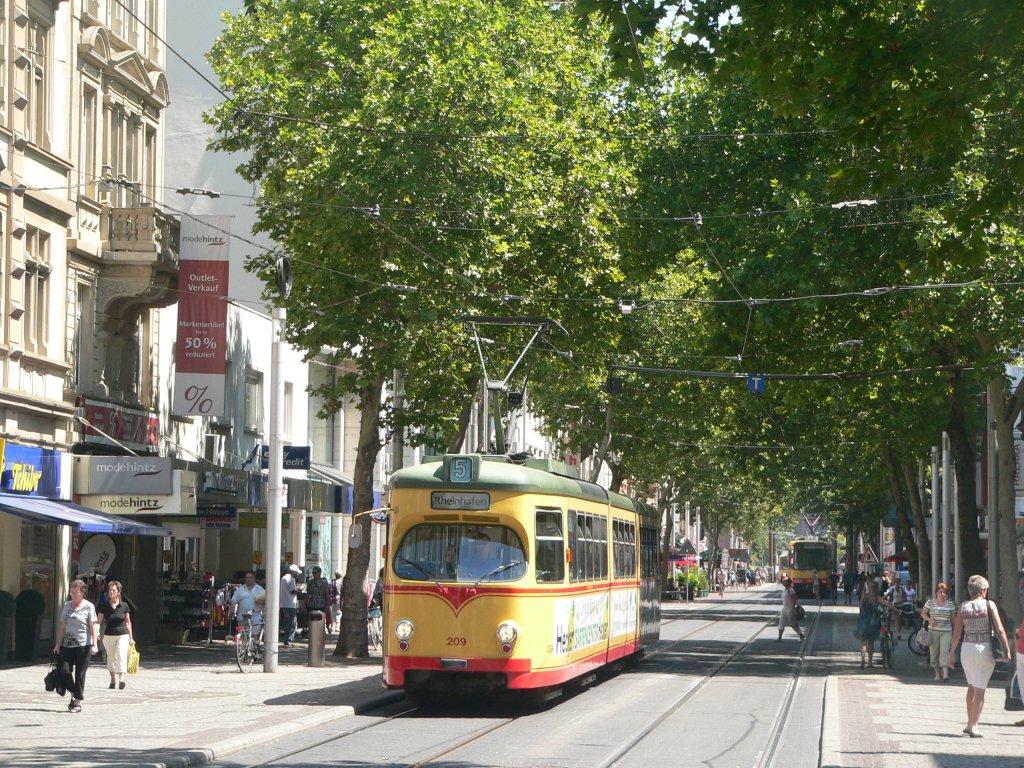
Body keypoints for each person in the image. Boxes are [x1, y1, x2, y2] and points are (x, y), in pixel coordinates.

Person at [949, 574, 1010, 738]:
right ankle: (975, 725)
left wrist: (952, 653)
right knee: (980, 688)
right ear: (983, 591)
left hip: (967, 648)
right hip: (985, 649)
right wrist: (1006, 649)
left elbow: (957, 633)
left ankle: (969, 723)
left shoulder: (962, 607)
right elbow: (1000, 629)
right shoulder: (990, 605)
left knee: (971, 686)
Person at [53, 579, 99, 713]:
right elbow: (62, 626)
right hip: (67, 644)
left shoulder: (89, 606)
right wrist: (57, 644)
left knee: (80, 673)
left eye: (76, 592)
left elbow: (93, 626)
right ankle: (73, 691)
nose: (73, 595)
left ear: (82, 592)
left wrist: (94, 645)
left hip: (83, 645)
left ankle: (77, 701)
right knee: (64, 670)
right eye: (71, 592)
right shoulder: (67, 605)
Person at [97, 580, 134, 690]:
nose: (111, 592)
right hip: (109, 635)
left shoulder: (124, 606)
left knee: (121, 654)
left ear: (118, 592)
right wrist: (97, 632)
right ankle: (113, 680)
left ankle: (121, 678)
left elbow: (128, 622)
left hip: (123, 634)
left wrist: (131, 638)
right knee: (111, 658)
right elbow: (98, 622)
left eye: (114, 590)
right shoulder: (104, 605)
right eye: (110, 590)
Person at [920, 582, 955, 681]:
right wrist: (929, 619)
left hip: (946, 631)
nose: (942, 594)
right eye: (940, 592)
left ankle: (945, 674)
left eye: (944, 592)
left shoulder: (950, 604)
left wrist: (957, 631)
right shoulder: (930, 602)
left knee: (944, 651)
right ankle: (937, 673)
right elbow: (923, 613)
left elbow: (953, 619)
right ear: (936, 593)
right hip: (933, 631)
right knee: (934, 654)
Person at [855, 580, 884, 668]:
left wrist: (862, 614)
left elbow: (860, 606)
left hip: (864, 620)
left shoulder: (865, 596)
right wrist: (897, 610)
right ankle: (870, 662)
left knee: (863, 642)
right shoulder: (877, 598)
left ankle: (862, 661)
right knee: (871, 643)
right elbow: (887, 604)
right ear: (877, 589)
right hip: (873, 621)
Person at [304, 566, 331, 631]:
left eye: (315, 572)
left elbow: (327, 593)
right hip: (312, 604)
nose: (313, 574)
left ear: (319, 573)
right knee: (311, 621)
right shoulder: (310, 582)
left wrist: (328, 604)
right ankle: (311, 633)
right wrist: (305, 604)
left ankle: (320, 634)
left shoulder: (324, 582)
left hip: (321, 605)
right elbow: (308, 594)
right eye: (313, 573)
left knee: (320, 622)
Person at [280, 564, 300, 646]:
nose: (297, 575)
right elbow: (292, 591)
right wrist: (299, 589)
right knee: (292, 622)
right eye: (297, 573)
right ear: (293, 572)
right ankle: (289, 639)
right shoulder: (291, 579)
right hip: (290, 603)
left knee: (287, 622)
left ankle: (286, 639)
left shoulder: (283, 578)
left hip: (284, 603)